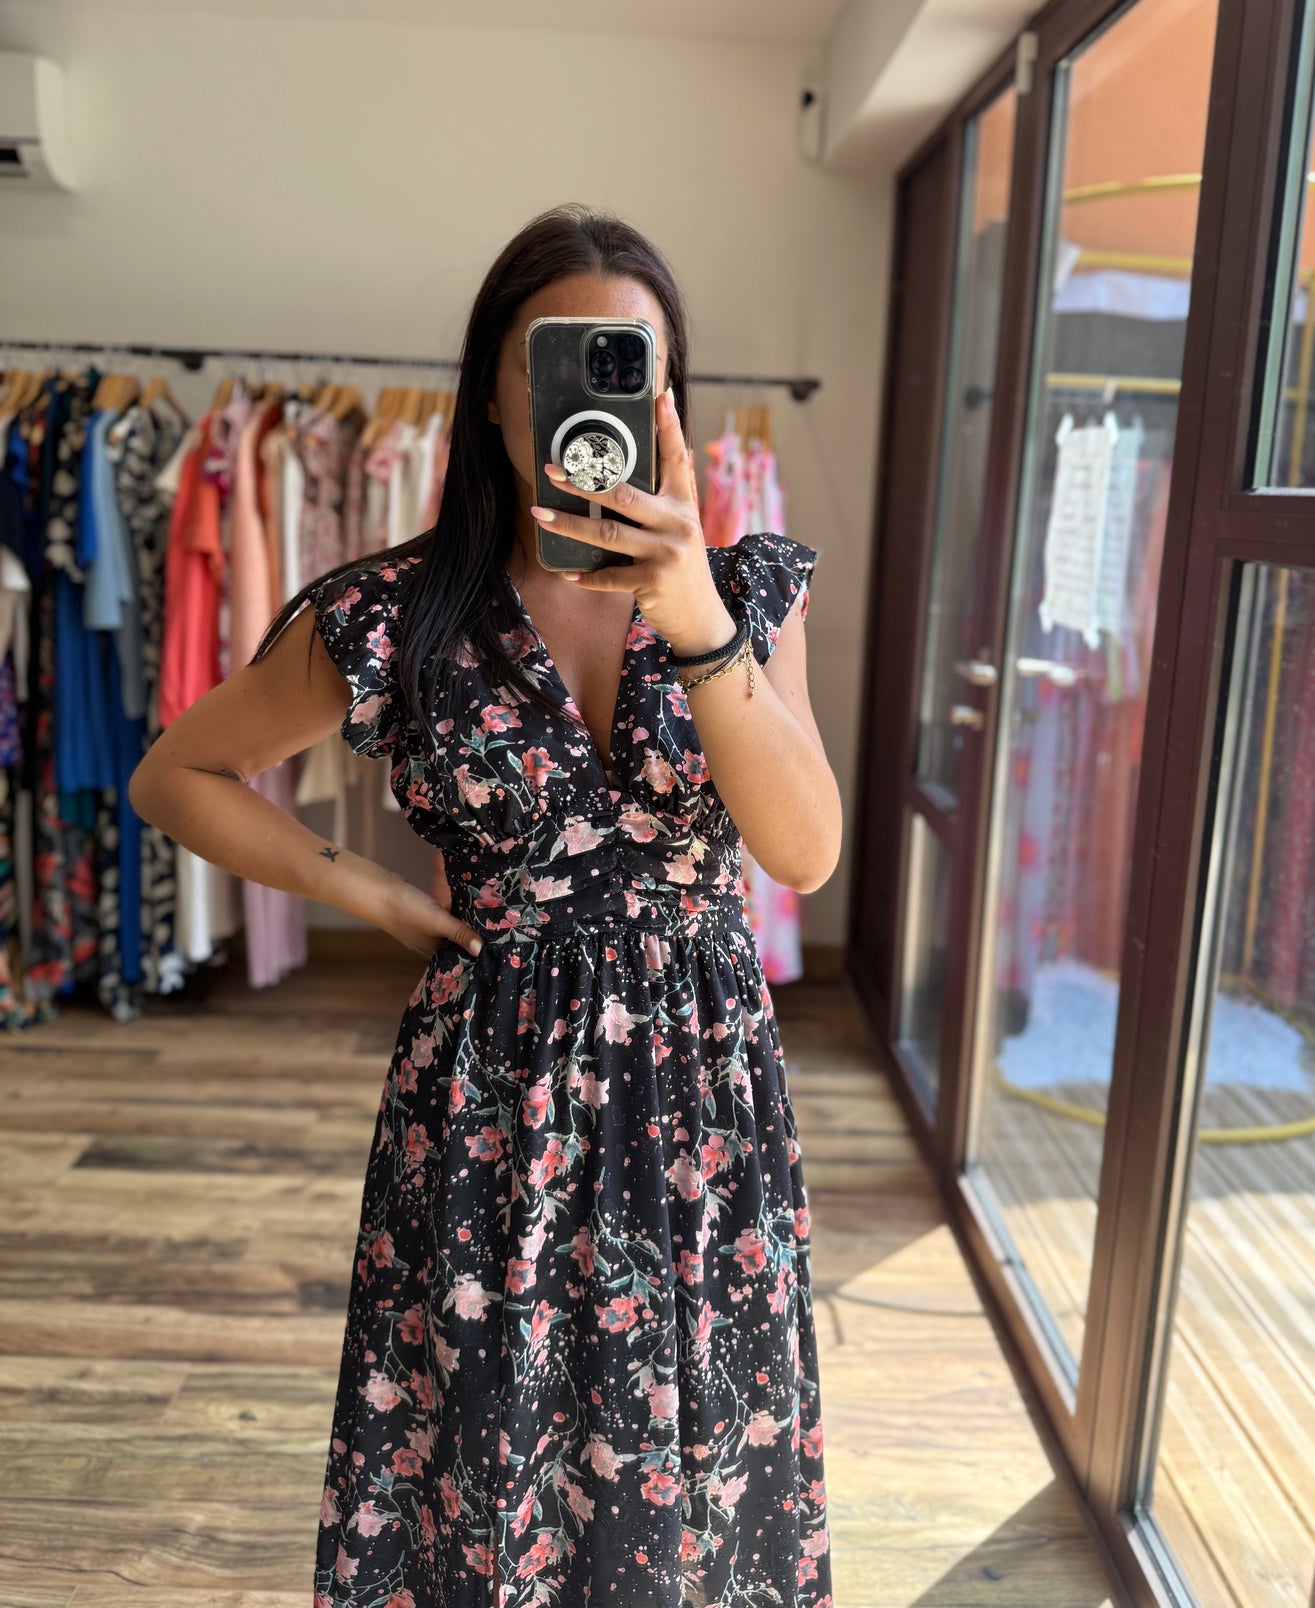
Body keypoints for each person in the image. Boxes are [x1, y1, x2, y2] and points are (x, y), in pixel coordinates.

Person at [130, 203, 841, 1608]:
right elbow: (179, 774)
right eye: (557, 356)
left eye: (632, 360)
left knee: (700, 1449)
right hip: (490, 1095)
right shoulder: (398, 613)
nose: (593, 391)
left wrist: (696, 621)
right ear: (495, 394)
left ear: (668, 394)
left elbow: (803, 850)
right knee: (487, 1447)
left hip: (702, 1099)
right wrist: (358, 889)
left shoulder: (748, 594)